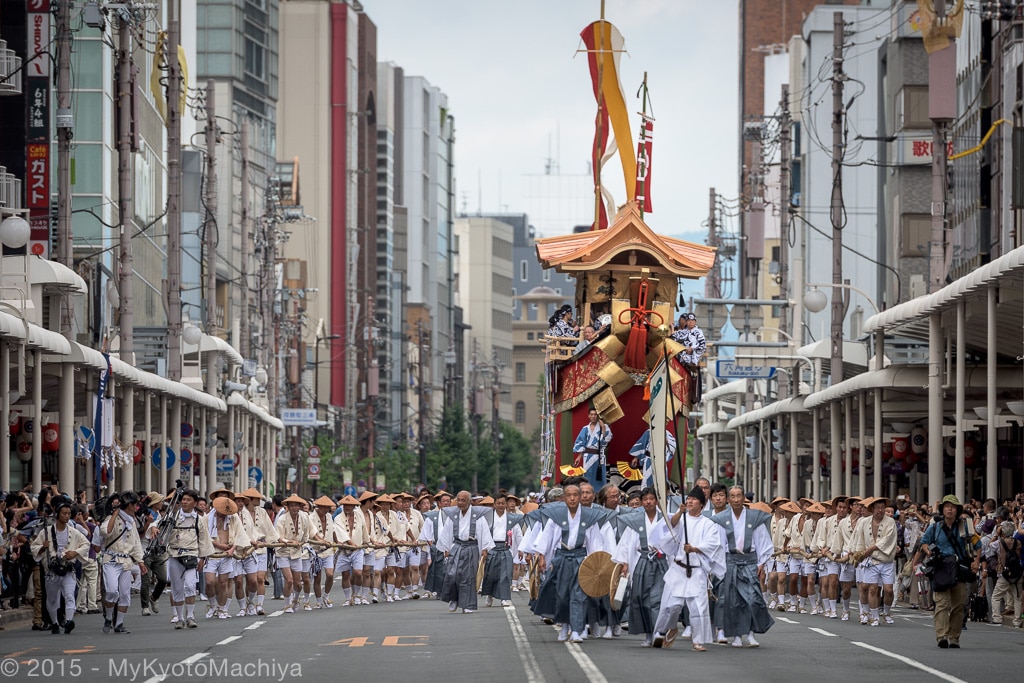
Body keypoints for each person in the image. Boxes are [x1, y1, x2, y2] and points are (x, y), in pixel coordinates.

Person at [530, 483, 614, 642]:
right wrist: (541, 557)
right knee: (561, 595)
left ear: (580, 496)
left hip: (581, 558)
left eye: (576, 495)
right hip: (561, 557)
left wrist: (597, 564)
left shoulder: (589, 517)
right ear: (565, 497)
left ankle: (577, 629)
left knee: (579, 596)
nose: (573, 498)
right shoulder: (556, 515)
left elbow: (595, 542)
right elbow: (546, 537)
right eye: (569, 495)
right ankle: (564, 625)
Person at [649, 486, 725, 652]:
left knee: (697, 607)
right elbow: (670, 527)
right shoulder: (681, 517)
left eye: (694, 499)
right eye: (688, 498)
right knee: (672, 606)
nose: (690, 501)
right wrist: (679, 512)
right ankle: (668, 629)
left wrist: (695, 548)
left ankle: (698, 641)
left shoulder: (708, 524)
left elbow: (713, 544)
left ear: (702, 505)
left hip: (696, 570)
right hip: (678, 569)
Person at [711, 486, 774, 647]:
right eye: (732, 496)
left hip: (750, 561)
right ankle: (737, 635)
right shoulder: (722, 518)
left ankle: (751, 634)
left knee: (753, 599)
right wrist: (718, 567)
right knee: (734, 601)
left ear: (744, 498)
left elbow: (763, 542)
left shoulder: (754, 517)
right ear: (728, 500)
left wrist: (762, 563)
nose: (736, 499)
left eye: (739, 496)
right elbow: (718, 545)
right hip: (730, 561)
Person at [919, 495, 980, 648]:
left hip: (959, 567)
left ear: (958, 510)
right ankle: (942, 636)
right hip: (941, 568)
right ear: (942, 509)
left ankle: (954, 637)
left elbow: (978, 545)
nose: (950, 509)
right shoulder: (935, 527)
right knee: (941, 603)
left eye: (953, 507)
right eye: (947, 506)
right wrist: (930, 552)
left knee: (959, 604)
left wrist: (976, 561)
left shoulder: (965, 526)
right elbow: (924, 543)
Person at [611, 487, 668, 647]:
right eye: (645, 499)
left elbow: (673, 540)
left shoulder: (665, 519)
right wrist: (625, 563)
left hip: (660, 561)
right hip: (641, 560)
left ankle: (658, 631)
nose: (648, 502)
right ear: (642, 502)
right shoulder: (635, 521)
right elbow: (626, 543)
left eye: (651, 498)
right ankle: (648, 634)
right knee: (641, 598)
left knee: (657, 598)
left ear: (657, 501)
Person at [31, 500, 89, 634]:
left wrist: (75, 552)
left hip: (68, 568)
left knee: (69, 595)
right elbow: (34, 546)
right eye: (64, 513)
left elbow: (86, 544)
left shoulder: (74, 532)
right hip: (52, 569)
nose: (67, 516)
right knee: (52, 598)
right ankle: (55, 622)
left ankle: (69, 621)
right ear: (57, 514)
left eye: (69, 513)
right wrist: (41, 547)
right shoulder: (46, 532)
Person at [436, 491, 494, 614]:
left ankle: (467, 604)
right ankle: (454, 599)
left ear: (469, 502)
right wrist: (446, 548)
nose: (460, 503)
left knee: (468, 577)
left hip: (471, 546)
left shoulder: (477, 515)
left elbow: (484, 532)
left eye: (463, 500)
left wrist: (485, 548)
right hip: (456, 546)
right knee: (452, 574)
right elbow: (447, 532)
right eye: (458, 500)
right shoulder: (453, 514)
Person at [165, 488, 213, 629]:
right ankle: (180, 618)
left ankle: (190, 616)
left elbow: (204, 539)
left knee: (190, 585)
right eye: (183, 499)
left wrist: (203, 558)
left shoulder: (199, 519)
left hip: (192, 555)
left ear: (195, 503)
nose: (185, 502)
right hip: (174, 555)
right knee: (177, 588)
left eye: (188, 500)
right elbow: (160, 526)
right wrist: (155, 529)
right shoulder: (172, 516)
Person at [99, 490, 146, 633]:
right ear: (129, 505)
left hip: (125, 561)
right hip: (111, 560)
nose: (136, 507)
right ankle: (108, 618)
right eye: (135, 504)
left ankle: (119, 624)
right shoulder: (112, 518)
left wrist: (140, 561)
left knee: (125, 594)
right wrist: (114, 513)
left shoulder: (132, 521)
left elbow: (136, 543)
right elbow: (105, 532)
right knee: (112, 591)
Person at [480, 493, 522, 608]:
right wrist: (484, 548)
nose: (500, 505)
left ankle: (504, 598)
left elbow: (518, 534)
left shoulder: (511, 518)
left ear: (506, 504)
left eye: (503, 503)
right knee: (490, 574)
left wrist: (521, 549)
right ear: (494, 504)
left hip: (505, 548)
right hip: (491, 548)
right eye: (498, 503)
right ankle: (489, 595)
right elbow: (483, 533)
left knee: (505, 574)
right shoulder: (488, 518)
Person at [274, 494, 312, 614]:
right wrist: (289, 541)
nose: (294, 508)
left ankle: (295, 599)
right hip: (283, 551)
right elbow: (278, 537)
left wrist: (302, 542)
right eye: (292, 505)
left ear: (300, 506)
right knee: (289, 580)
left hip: (297, 551)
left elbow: (307, 533)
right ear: (288, 507)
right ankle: (287, 604)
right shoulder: (282, 519)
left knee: (298, 582)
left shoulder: (304, 517)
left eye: (297, 505)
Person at [573, 408, 612, 489]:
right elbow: (581, 442)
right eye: (591, 414)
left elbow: (607, 439)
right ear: (589, 416)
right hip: (587, 456)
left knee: (600, 477)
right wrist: (579, 457)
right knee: (588, 476)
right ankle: (587, 491)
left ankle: (599, 494)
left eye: (595, 414)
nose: (593, 416)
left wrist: (603, 428)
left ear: (597, 416)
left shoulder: (604, 426)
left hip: (599, 456)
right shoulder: (585, 428)